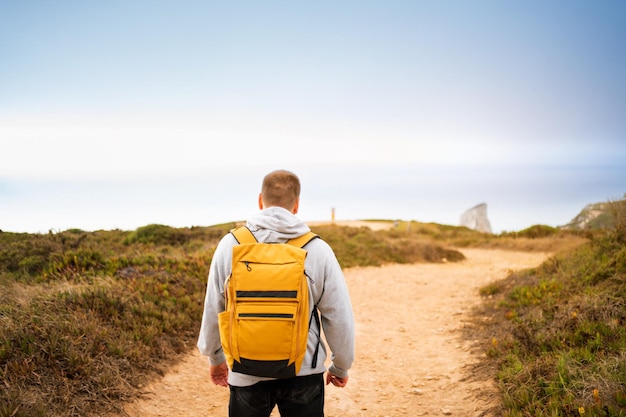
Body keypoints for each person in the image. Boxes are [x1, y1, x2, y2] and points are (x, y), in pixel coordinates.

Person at [197, 169, 355, 417]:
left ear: (261, 201)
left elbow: (214, 306)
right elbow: (338, 314)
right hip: (303, 372)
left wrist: (214, 356)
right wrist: (341, 365)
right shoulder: (318, 249)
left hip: (245, 369)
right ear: (296, 205)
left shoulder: (231, 245)